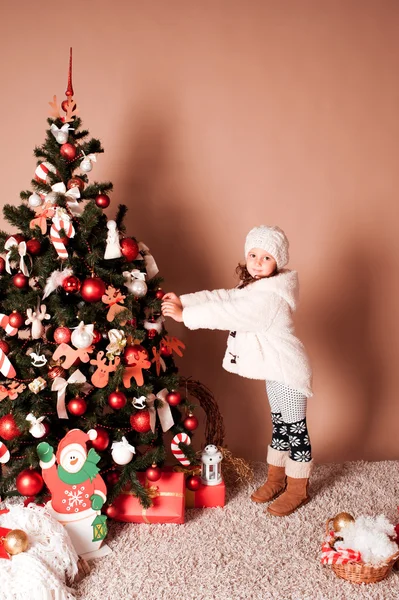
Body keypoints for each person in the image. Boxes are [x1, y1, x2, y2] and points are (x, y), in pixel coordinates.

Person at [161, 225, 313, 517]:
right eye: (253, 254)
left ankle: (297, 488)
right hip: (275, 371)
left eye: (266, 257)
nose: (257, 261)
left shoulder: (271, 298)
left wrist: (186, 316)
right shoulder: (256, 287)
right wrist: (186, 301)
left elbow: (229, 313)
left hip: (289, 373)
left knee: (295, 430)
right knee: (280, 424)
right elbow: (223, 298)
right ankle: (276, 478)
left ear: (277, 263)